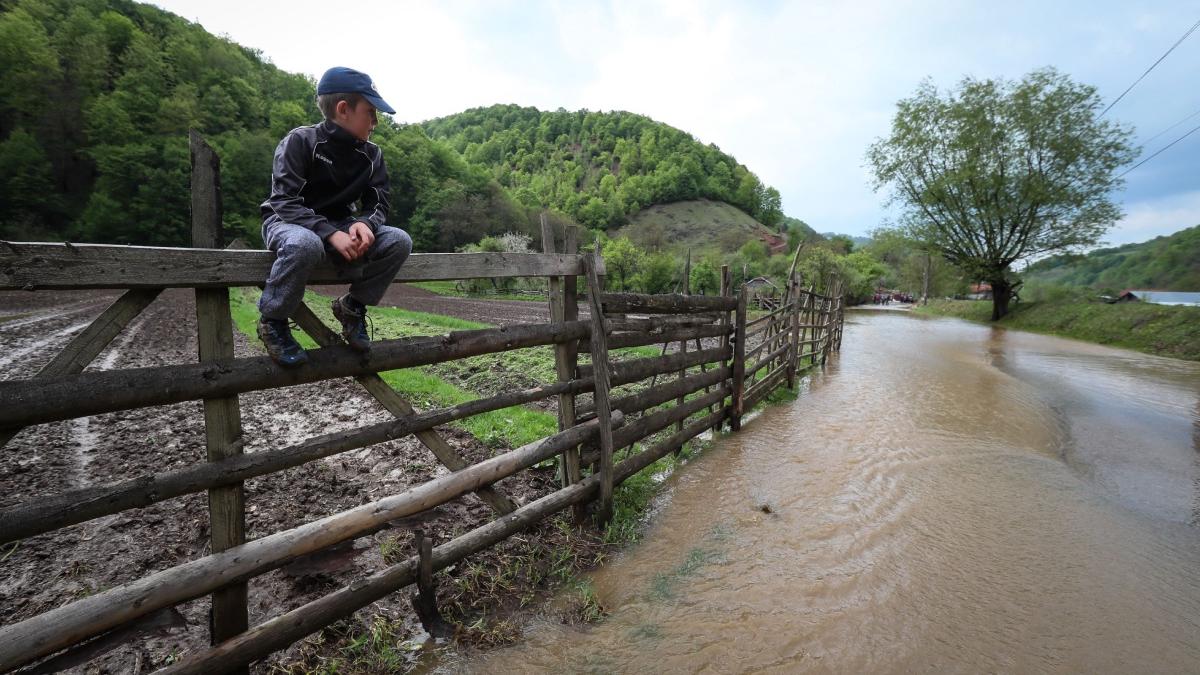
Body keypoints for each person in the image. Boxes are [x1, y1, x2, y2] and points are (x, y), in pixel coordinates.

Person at [257, 67, 413, 366]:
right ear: (343, 110)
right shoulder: (300, 141)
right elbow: (284, 200)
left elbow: (379, 202)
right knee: (306, 244)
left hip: (341, 226)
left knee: (399, 240)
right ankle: (272, 320)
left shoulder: (372, 155)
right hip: (289, 223)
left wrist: (364, 223)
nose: (376, 122)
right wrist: (329, 233)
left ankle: (352, 307)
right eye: (370, 112)